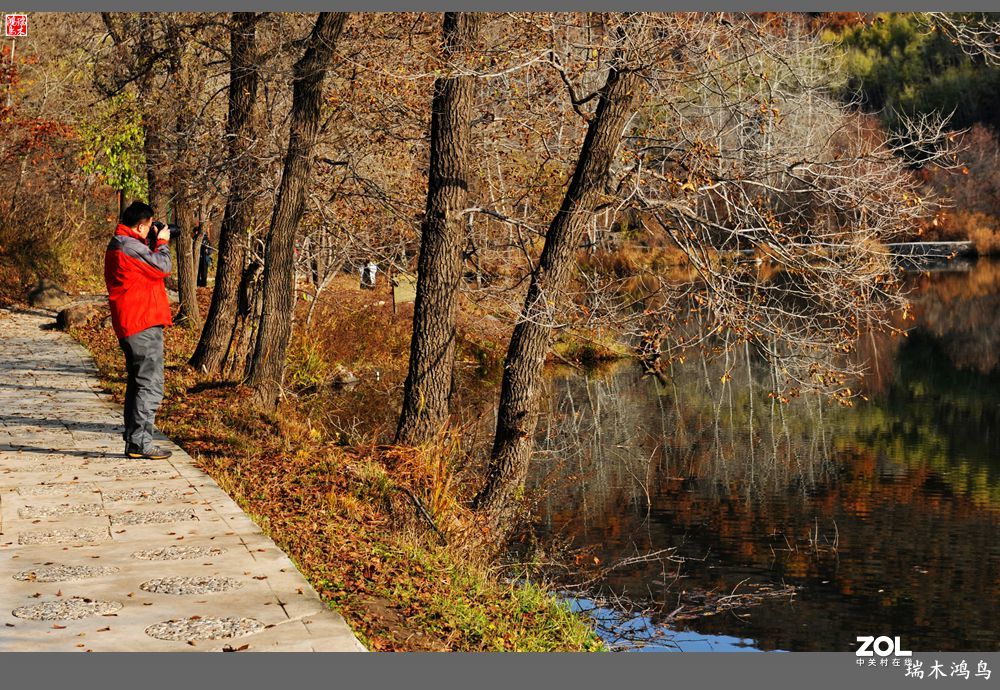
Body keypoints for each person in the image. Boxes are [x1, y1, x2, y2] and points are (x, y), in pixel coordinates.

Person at [103, 201, 174, 460]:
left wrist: (151, 242)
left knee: (138, 384)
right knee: (150, 385)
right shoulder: (129, 246)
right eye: (150, 226)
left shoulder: (123, 244)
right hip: (141, 323)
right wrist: (162, 242)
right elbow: (163, 267)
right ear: (142, 226)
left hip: (133, 322)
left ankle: (135, 441)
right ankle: (140, 443)